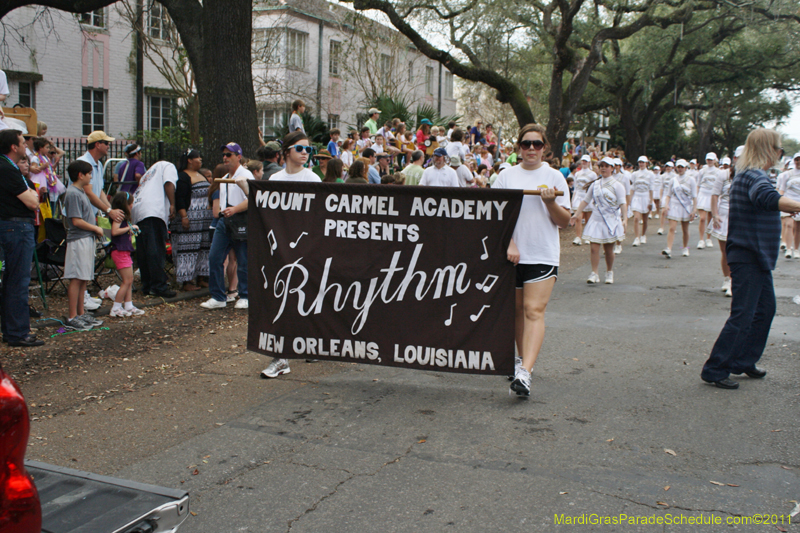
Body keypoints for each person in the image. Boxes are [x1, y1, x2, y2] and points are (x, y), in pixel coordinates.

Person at [701, 129, 800, 389]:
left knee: (764, 310)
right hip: (749, 254)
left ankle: (743, 360)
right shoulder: (754, 176)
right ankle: (716, 368)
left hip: (755, 254)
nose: (781, 153)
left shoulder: (749, 174)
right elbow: (767, 198)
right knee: (743, 314)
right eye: (779, 148)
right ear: (770, 149)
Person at [494, 124, 571, 397]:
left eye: (536, 144)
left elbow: (564, 222)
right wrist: (510, 243)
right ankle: (521, 361)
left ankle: (525, 371)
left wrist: (550, 202)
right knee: (517, 312)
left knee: (533, 310)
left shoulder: (555, 177)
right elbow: (495, 218)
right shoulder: (504, 177)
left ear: (545, 148)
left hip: (542, 253)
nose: (531, 149)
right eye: (526, 144)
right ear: (518, 147)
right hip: (511, 255)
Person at [261, 131, 322, 380]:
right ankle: (281, 357)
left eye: (308, 149)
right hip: (281, 249)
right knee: (281, 298)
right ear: (286, 152)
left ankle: (309, 343)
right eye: (300, 148)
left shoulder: (313, 178)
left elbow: (319, 216)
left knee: (305, 296)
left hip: (306, 248)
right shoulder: (275, 178)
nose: (305, 153)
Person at [0, 129, 44, 346]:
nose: (26, 145)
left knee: (11, 281)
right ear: (13, 147)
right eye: (22, 142)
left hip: (12, 227)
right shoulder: (8, 169)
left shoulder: (9, 168)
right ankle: (18, 333)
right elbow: (33, 201)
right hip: (16, 228)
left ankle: (12, 330)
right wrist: (33, 193)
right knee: (18, 281)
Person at [201, 143, 253, 310]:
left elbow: (253, 198)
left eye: (229, 155)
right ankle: (218, 296)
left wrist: (236, 209)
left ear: (239, 156)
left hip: (241, 220)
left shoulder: (246, 175)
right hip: (225, 221)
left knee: (242, 259)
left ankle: (245, 295)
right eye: (224, 154)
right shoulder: (223, 179)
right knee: (215, 257)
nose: (225, 158)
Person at [62, 160, 105, 332]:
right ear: (80, 175)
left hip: (86, 239)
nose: (90, 177)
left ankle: (80, 313)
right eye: (88, 174)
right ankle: (72, 315)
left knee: (83, 277)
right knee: (77, 277)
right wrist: (96, 228)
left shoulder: (80, 192)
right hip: (79, 239)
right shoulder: (73, 193)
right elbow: (76, 220)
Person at [571, 156, 627, 284]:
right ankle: (594, 273)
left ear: (612, 168)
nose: (603, 168)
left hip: (610, 220)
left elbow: (623, 203)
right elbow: (586, 200)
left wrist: (624, 219)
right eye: (601, 166)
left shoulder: (618, 185)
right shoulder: (595, 184)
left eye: (606, 166)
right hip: (596, 219)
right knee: (594, 248)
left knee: (608, 250)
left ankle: (609, 271)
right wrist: (576, 213)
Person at [132, 160, 178, 298]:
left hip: (138, 210)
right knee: (155, 250)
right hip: (153, 210)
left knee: (143, 251)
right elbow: (169, 183)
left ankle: (147, 285)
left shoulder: (149, 172)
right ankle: (159, 286)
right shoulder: (169, 165)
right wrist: (172, 203)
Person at [172, 149, 212, 292]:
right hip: (190, 219)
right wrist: (184, 216)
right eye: (198, 158)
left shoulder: (200, 174)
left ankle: (202, 277)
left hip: (204, 221)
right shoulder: (183, 176)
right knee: (188, 249)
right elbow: (180, 198)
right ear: (189, 160)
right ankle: (187, 280)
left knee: (204, 248)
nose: (200, 160)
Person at [108, 192, 145, 317]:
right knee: (126, 280)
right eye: (131, 203)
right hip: (120, 251)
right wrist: (129, 228)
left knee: (129, 280)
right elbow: (114, 231)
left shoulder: (124, 217)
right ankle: (116, 307)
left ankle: (128, 305)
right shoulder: (120, 216)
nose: (132, 205)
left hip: (124, 251)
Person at [661, 159, 697, 258]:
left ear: (686, 168)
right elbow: (668, 195)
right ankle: (668, 249)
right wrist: (666, 205)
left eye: (682, 167)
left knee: (685, 229)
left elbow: (694, 196)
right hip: (674, 205)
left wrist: (694, 210)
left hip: (685, 206)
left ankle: (685, 248)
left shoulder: (691, 180)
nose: (680, 169)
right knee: (672, 228)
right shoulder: (673, 180)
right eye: (679, 167)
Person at [709, 161, 733, 297]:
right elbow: (714, 195)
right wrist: (715, 214)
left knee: (737, 251)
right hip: (724, 215)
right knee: (725, 251)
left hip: (740, 216)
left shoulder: (749, 174)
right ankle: (727, 278)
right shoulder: (723, 174)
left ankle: (735, 281)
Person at [777, 152, 800, 259]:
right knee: (789, 224)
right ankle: (789, 249)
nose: (799, 162)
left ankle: (796, 249)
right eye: (797, 160)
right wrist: (778, 202)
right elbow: (782, 189)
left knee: (798, 228)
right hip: (789, 202)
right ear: (794, 161)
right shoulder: (787, 174)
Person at [29, 136, 65, 204]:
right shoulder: (35, 157)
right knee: (45, 199)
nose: (49, 149)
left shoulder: (46, 157)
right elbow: (34, 169)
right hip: (42, 180)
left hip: (49, 179)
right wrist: (43, 166)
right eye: (47, 147)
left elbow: (49, 168)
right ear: (40, 148)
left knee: (52, 198)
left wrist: (55, 164)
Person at [695, 153, 720, 249]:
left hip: (712, 196)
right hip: (703, 194)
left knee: (711, 218)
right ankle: (701, 240)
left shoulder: (718, 172)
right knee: (702, 218)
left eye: (711, 159)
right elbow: (698, 184)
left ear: (715, 160)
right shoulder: (702, 171)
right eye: (708, 159)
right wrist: (696, 196)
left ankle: (708, 238)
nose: (709, 161)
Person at [630, 156, 654, 247]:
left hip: (646, 196)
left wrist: (651, 201)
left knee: (645, 219)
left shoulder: (650, 174)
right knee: (636, 218)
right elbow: (632, 188)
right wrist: (630, 200)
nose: (641, 164)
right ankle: (637, 237)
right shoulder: (635, 174)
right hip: (637, 196)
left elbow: (651, 188)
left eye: (643, 162)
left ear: (646, 163)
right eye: (640, 162)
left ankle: (643, 235)